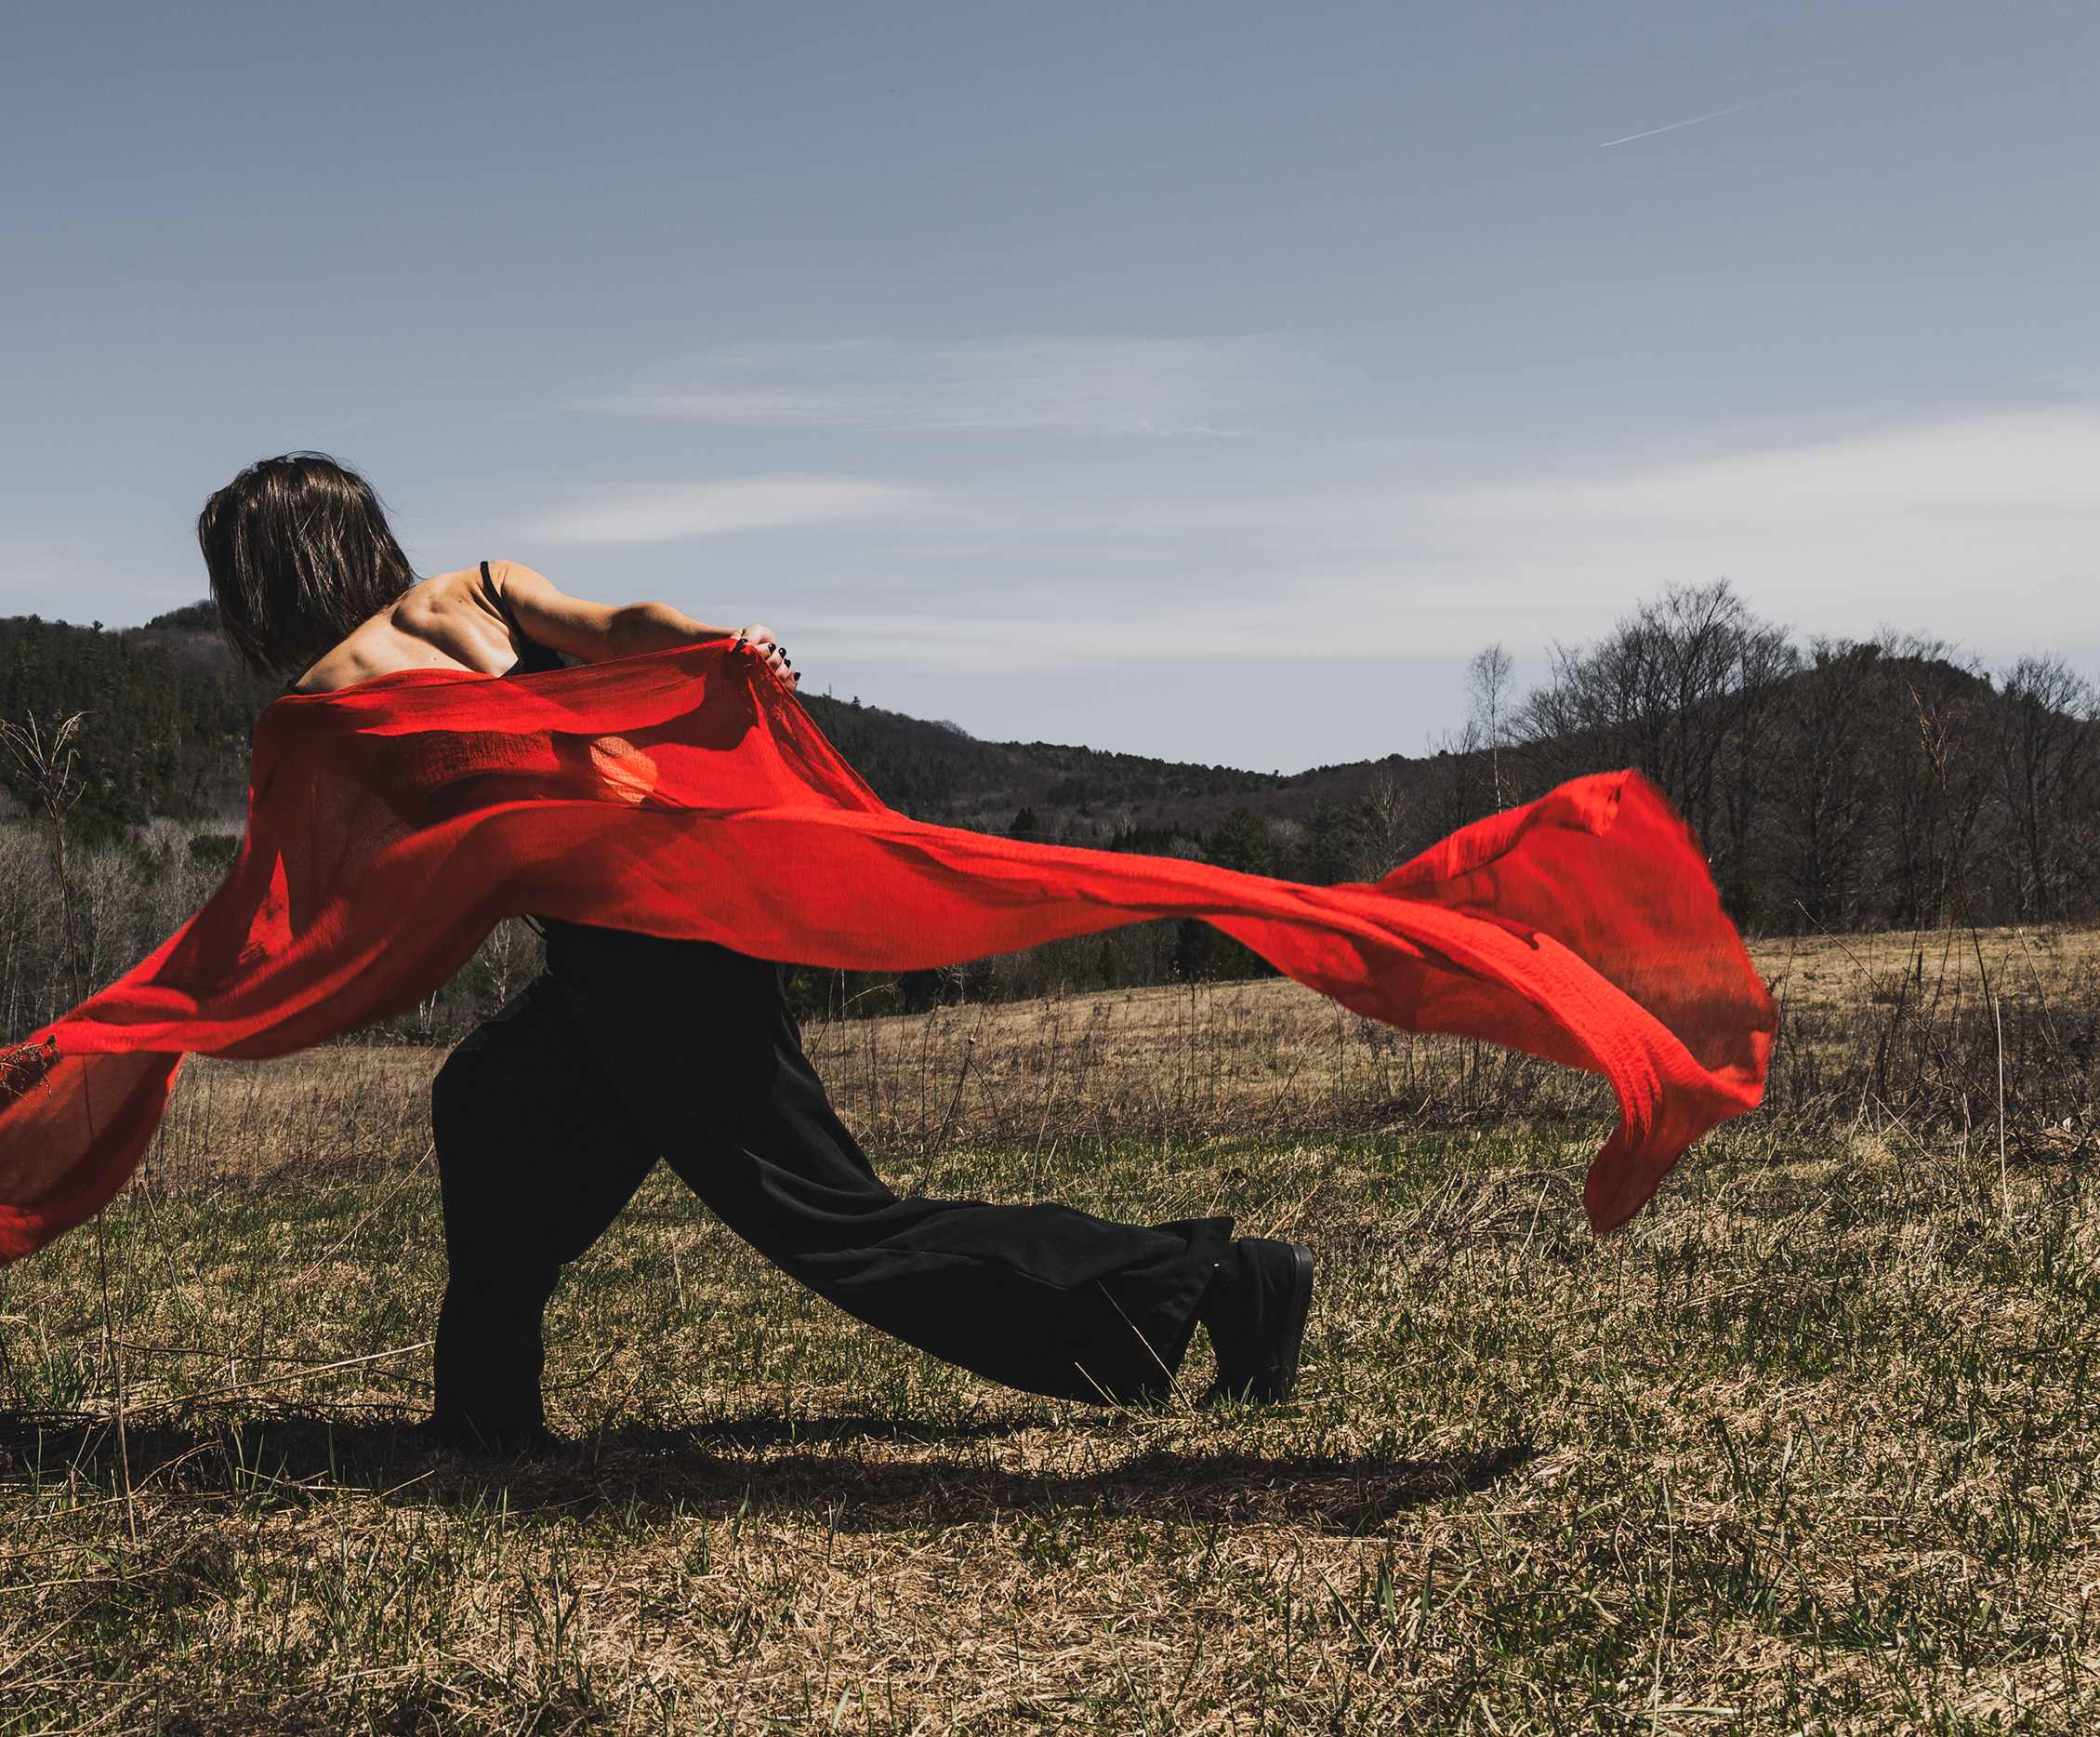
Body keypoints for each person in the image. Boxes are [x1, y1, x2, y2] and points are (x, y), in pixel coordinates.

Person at [197, 451, 1314, 1455]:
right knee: (489, 1102)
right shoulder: (475, 591)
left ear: (267, 583)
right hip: (676, 909)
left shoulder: (320, 705)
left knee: (832, 1221)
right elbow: (627, 626)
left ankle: (1212, 1282)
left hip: (653, 951)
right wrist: (718, 647)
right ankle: (486, 1410)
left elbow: (313, 901)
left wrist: (147, 1026)